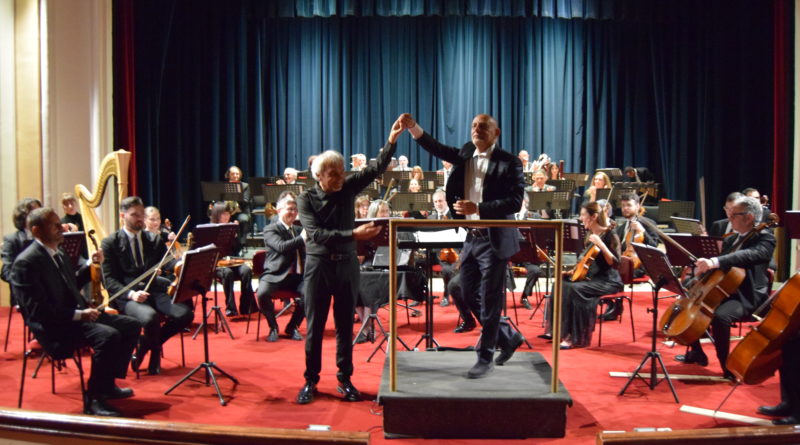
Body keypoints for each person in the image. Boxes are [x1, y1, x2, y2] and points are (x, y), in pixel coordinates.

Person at [400, 112, 525, 378]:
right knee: (464, 291)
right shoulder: (467, 151)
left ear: (496, 133)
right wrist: (413, 127)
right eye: (474, 125)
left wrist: (478, 208)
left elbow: (515, 202)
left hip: (495, 238)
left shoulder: (510, 162)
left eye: (483, 126)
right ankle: (507, 336)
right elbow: (439, 148)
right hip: (472, 237)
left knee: (490, 300)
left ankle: (485, 357)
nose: (477, 129)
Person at [294, 117, 401, 404]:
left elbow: (376, 168)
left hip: (346, 266)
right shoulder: (306, 199)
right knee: (315, 327)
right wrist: (354, 233)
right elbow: (316, 235)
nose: (341, 177)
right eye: (334, 173)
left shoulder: (348, 188)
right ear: (319, 175)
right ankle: (310, 381)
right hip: (319, 267)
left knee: (345, 325)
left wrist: (391, 140)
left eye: (342, 171)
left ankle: (345, 379)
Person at [13, 207, 140, 416]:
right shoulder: (26, 263)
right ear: (37, 231)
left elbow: (72, 285)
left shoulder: (59, 252)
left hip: (75, 317)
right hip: (54, 328)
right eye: (54, 225)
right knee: (108, 336)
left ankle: (106, 384)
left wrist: (91, 264)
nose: (61, 228)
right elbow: (39, 311)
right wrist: (80, 315)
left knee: (131, 326)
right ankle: (94, 399)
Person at [674, 196, 776, 379]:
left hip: (747, 296)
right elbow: (720, 270)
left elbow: (748, 255)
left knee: (721, 316)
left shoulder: (765, 239)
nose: (730, 218)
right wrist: (695, 279)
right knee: (691, 306)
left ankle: (726, 366)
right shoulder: (731, 240)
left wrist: (715, 261)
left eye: (734, 215)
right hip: (724, 291)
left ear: (749, 217)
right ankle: (697, 352)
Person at [101, 196, 193, 375]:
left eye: (141, 214)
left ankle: (146, 345)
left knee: (185, 314)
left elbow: (166, 262)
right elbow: (109, 280)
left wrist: (180, 263)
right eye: (134, 215)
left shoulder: (153, 239)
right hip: (128, 296)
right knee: (150, 318)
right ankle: (155, 354)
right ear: (122, 216)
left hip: (153, 290)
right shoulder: (110, 243)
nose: (140, 219)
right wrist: (131, 294)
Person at [546, 202, 623, 348]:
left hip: (608, 281)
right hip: (592, 278)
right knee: (560, 284)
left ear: (594, 217)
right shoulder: (590, 234)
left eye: (583, 215)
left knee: (574, 289)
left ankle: (574, 336)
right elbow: (587, 261)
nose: (581, 218)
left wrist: (601, 245)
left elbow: (615, 263)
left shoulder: (610, 235)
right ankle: (559, 330)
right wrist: (572, 272)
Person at [256, 196, 305, 342]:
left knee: (312, 293)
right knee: (262, 293)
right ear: (279, 211)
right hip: (275, 274)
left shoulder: (299, 230)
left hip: (298, 276)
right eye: (289, 209)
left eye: (295, 210)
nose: (293, 212)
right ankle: (273, 327)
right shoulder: (270, 229)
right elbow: (281, 247)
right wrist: (302, 238)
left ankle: (292, 327)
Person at [209, 202, 256, 316]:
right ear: (217, 215)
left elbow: (238, 249)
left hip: (232, 261)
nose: (227, 216)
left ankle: (245, 307)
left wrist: (235, 236)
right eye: (223, 214)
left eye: (228, 214)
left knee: (246, 270)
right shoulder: (210, 229)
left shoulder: (232, 227)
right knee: (228, 273)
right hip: (218, 264)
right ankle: (231, 308)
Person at [2, 198, 42, 292]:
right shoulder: (12, 240)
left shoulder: (46, 236)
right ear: (23, 216)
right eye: (33, 212)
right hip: (26, 293)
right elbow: (6, 273)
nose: (39, 216)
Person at [224, 165, 251, 256]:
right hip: (227, 212)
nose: (235, 176)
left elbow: (246, 201)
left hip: (241, 211)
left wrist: (236, 194)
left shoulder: (245, 186)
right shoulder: (224, 186)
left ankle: (241, 246)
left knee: (243, 220)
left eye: (237, 174)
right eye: (233, 174)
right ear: (228, 175)